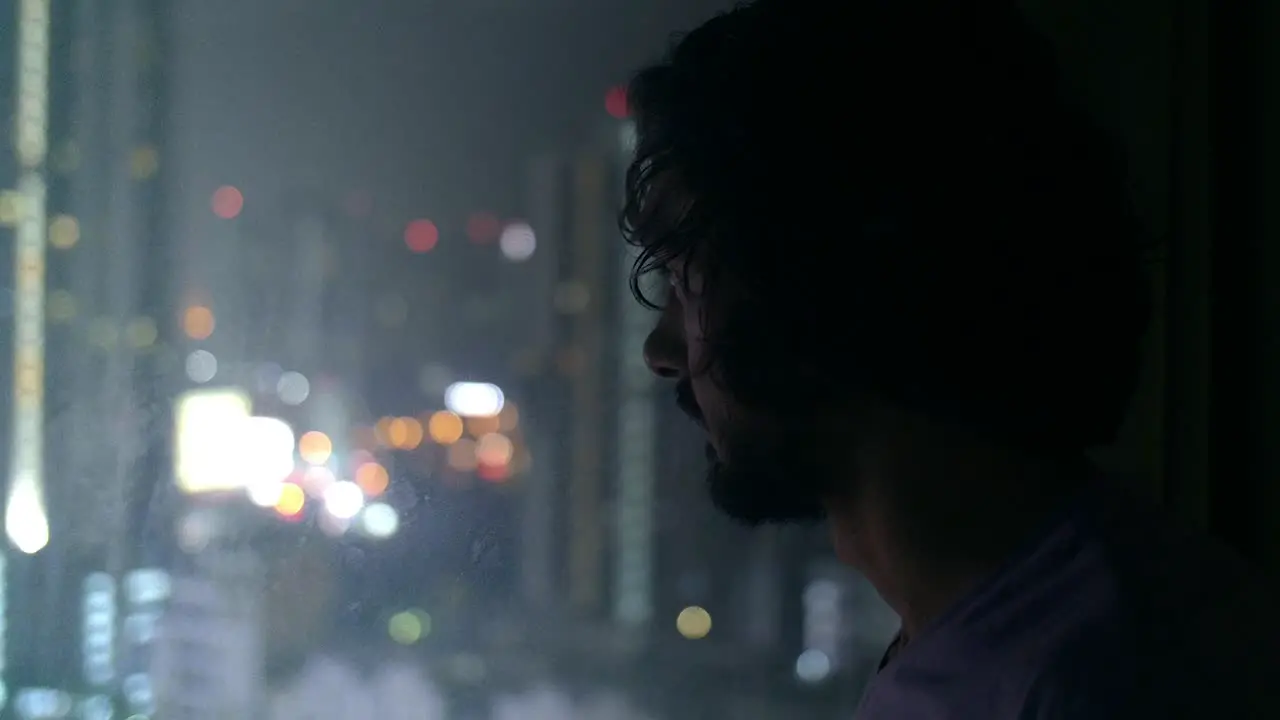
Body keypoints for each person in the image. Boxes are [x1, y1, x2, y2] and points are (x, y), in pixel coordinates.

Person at [621, 1, 1279, 717]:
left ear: (820, 282)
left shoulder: (1098, 680)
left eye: (688, 279)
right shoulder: (1012, 632)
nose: (663, 352)